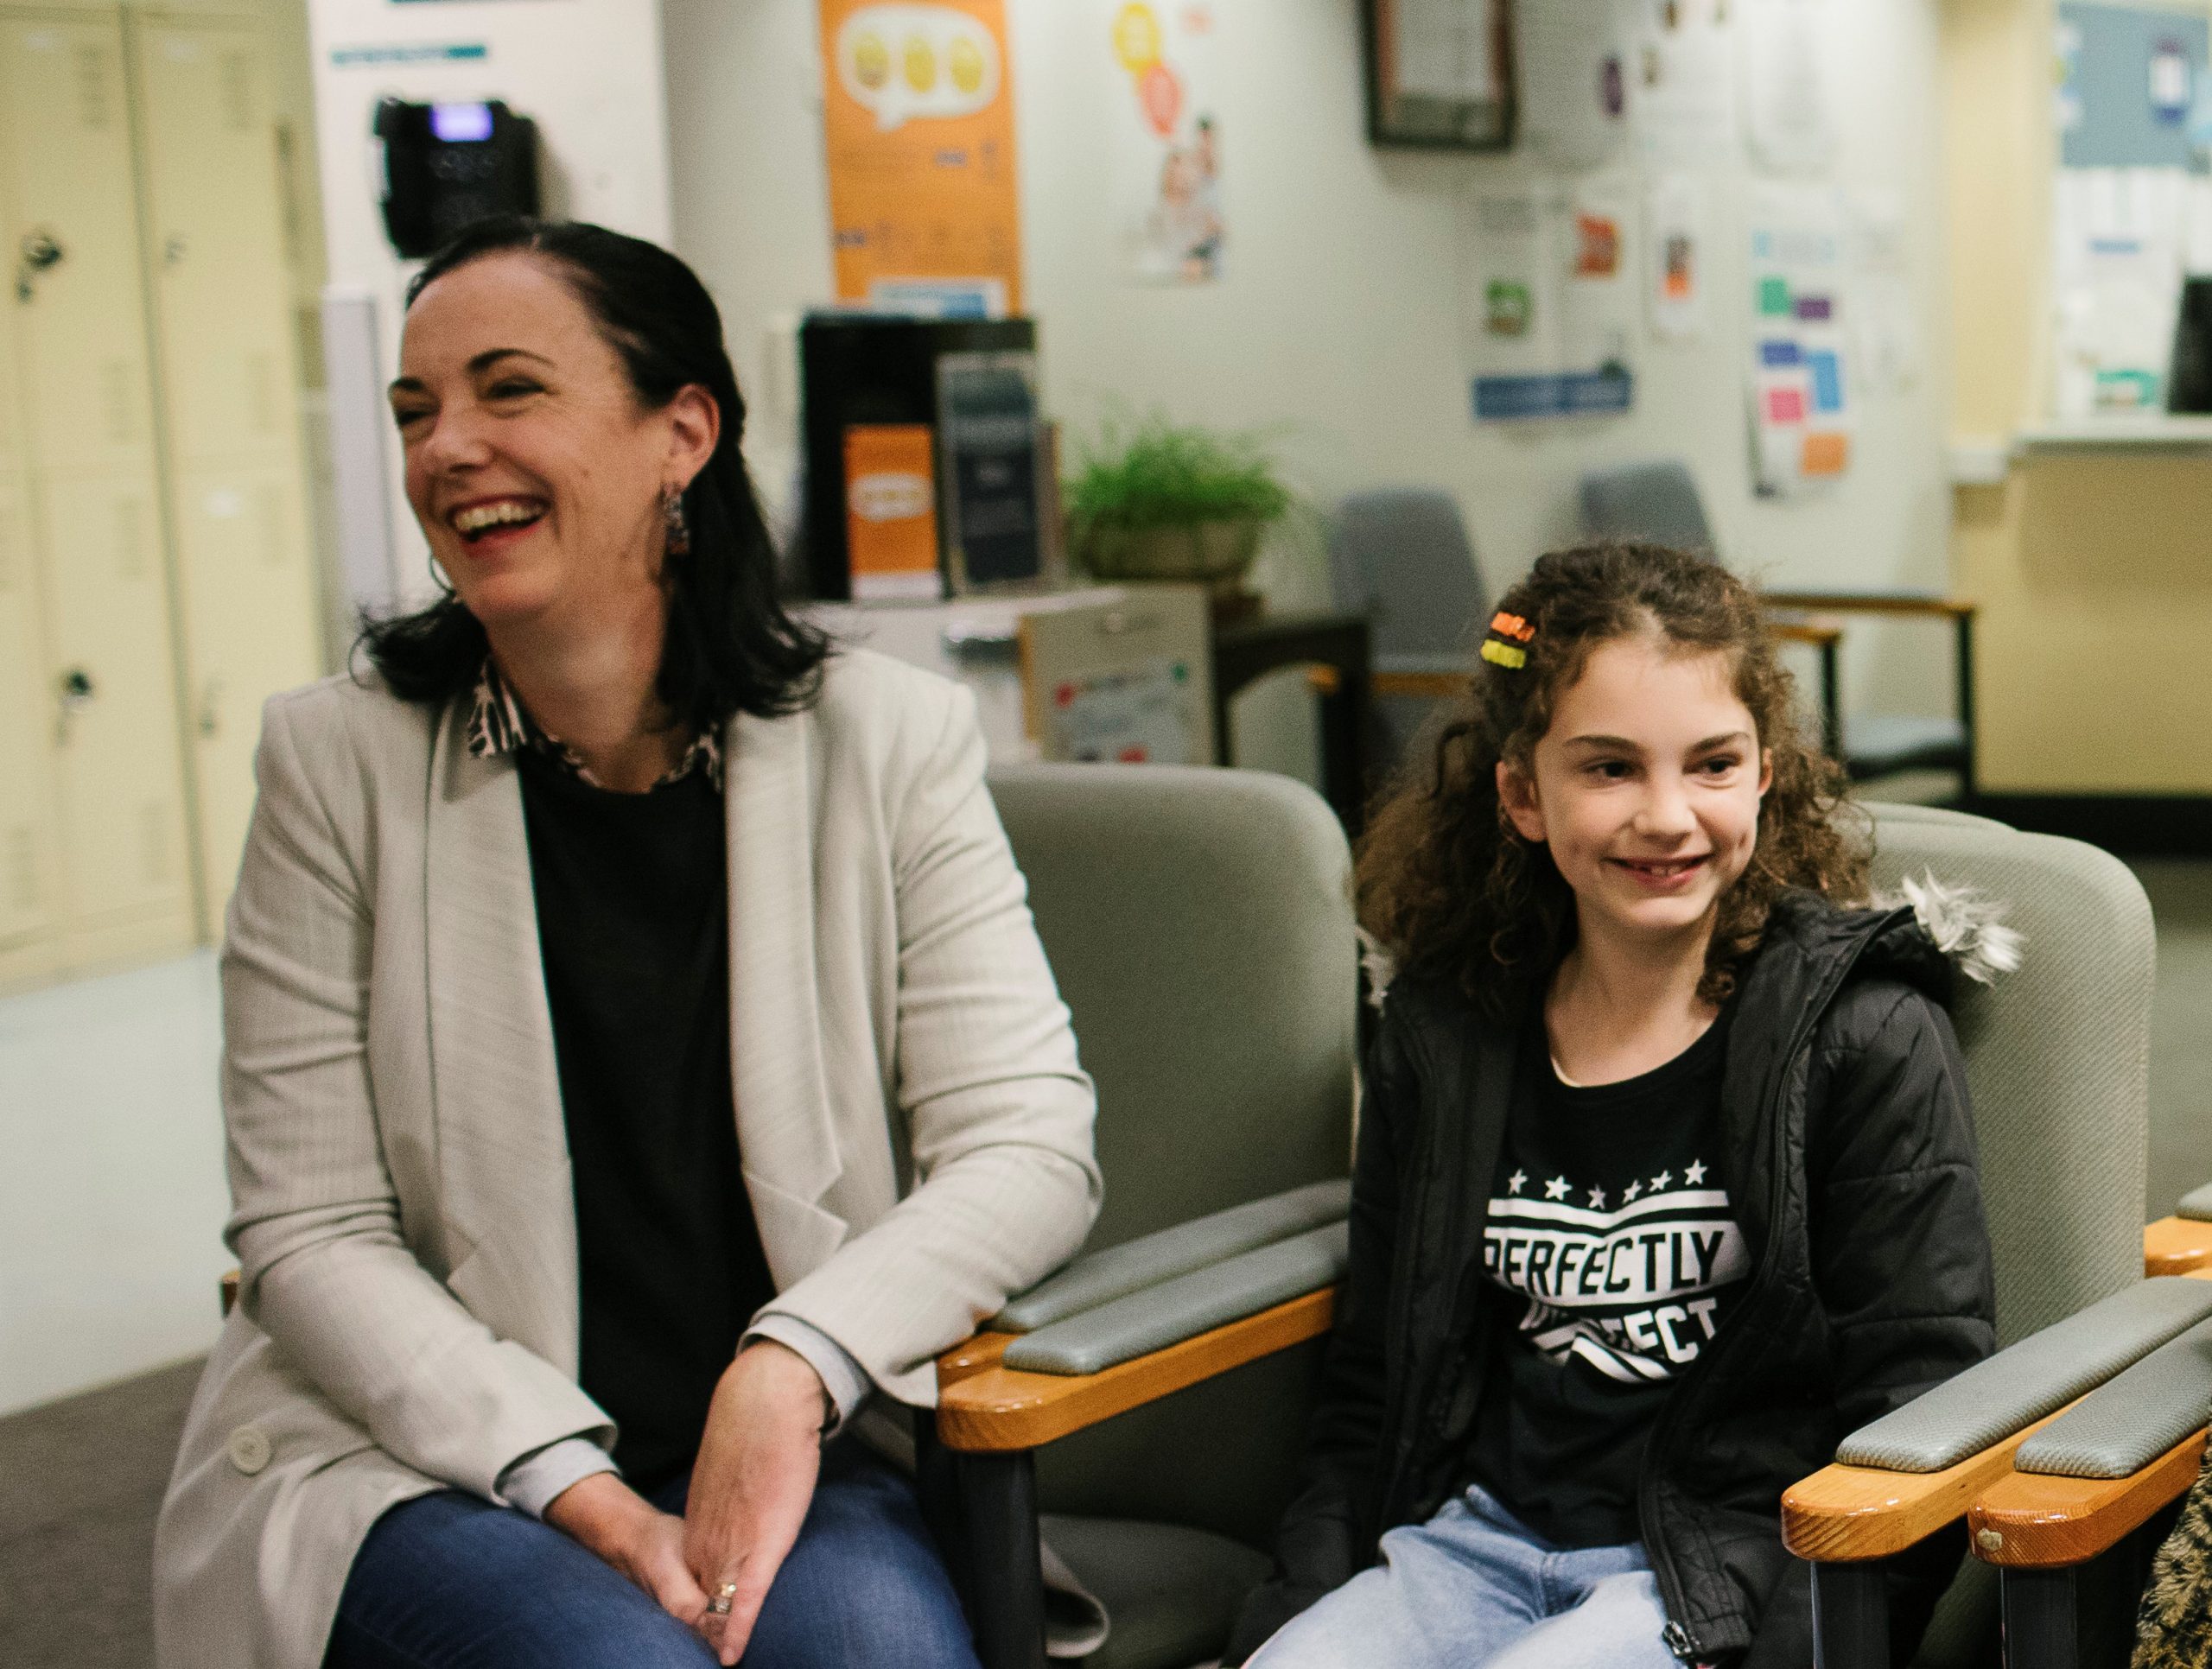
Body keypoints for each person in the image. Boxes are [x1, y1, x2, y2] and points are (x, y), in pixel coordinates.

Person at [151, 218, 1100, 1669]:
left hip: (792, 1440)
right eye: (416, 412)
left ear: (683, 433)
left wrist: (794, 1364)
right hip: (429, 1459)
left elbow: (1028, 1143)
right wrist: (582, 1493)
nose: (446, 447)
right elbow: (307, 1230)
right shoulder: (332, 764)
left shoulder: (884, 739)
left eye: (507, 389)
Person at [1224, 544, 2005, 1668]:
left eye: (1712, 763)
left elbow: (1919, 1395)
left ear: (1765, 775)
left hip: (1719, 1576)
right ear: (1521, 795)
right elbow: (1370, 1387)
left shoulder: (1864, 1035)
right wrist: (1285, 1625)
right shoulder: (1446, 1037)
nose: (1668, 814)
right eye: (1609, 769)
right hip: (1471, 1549)